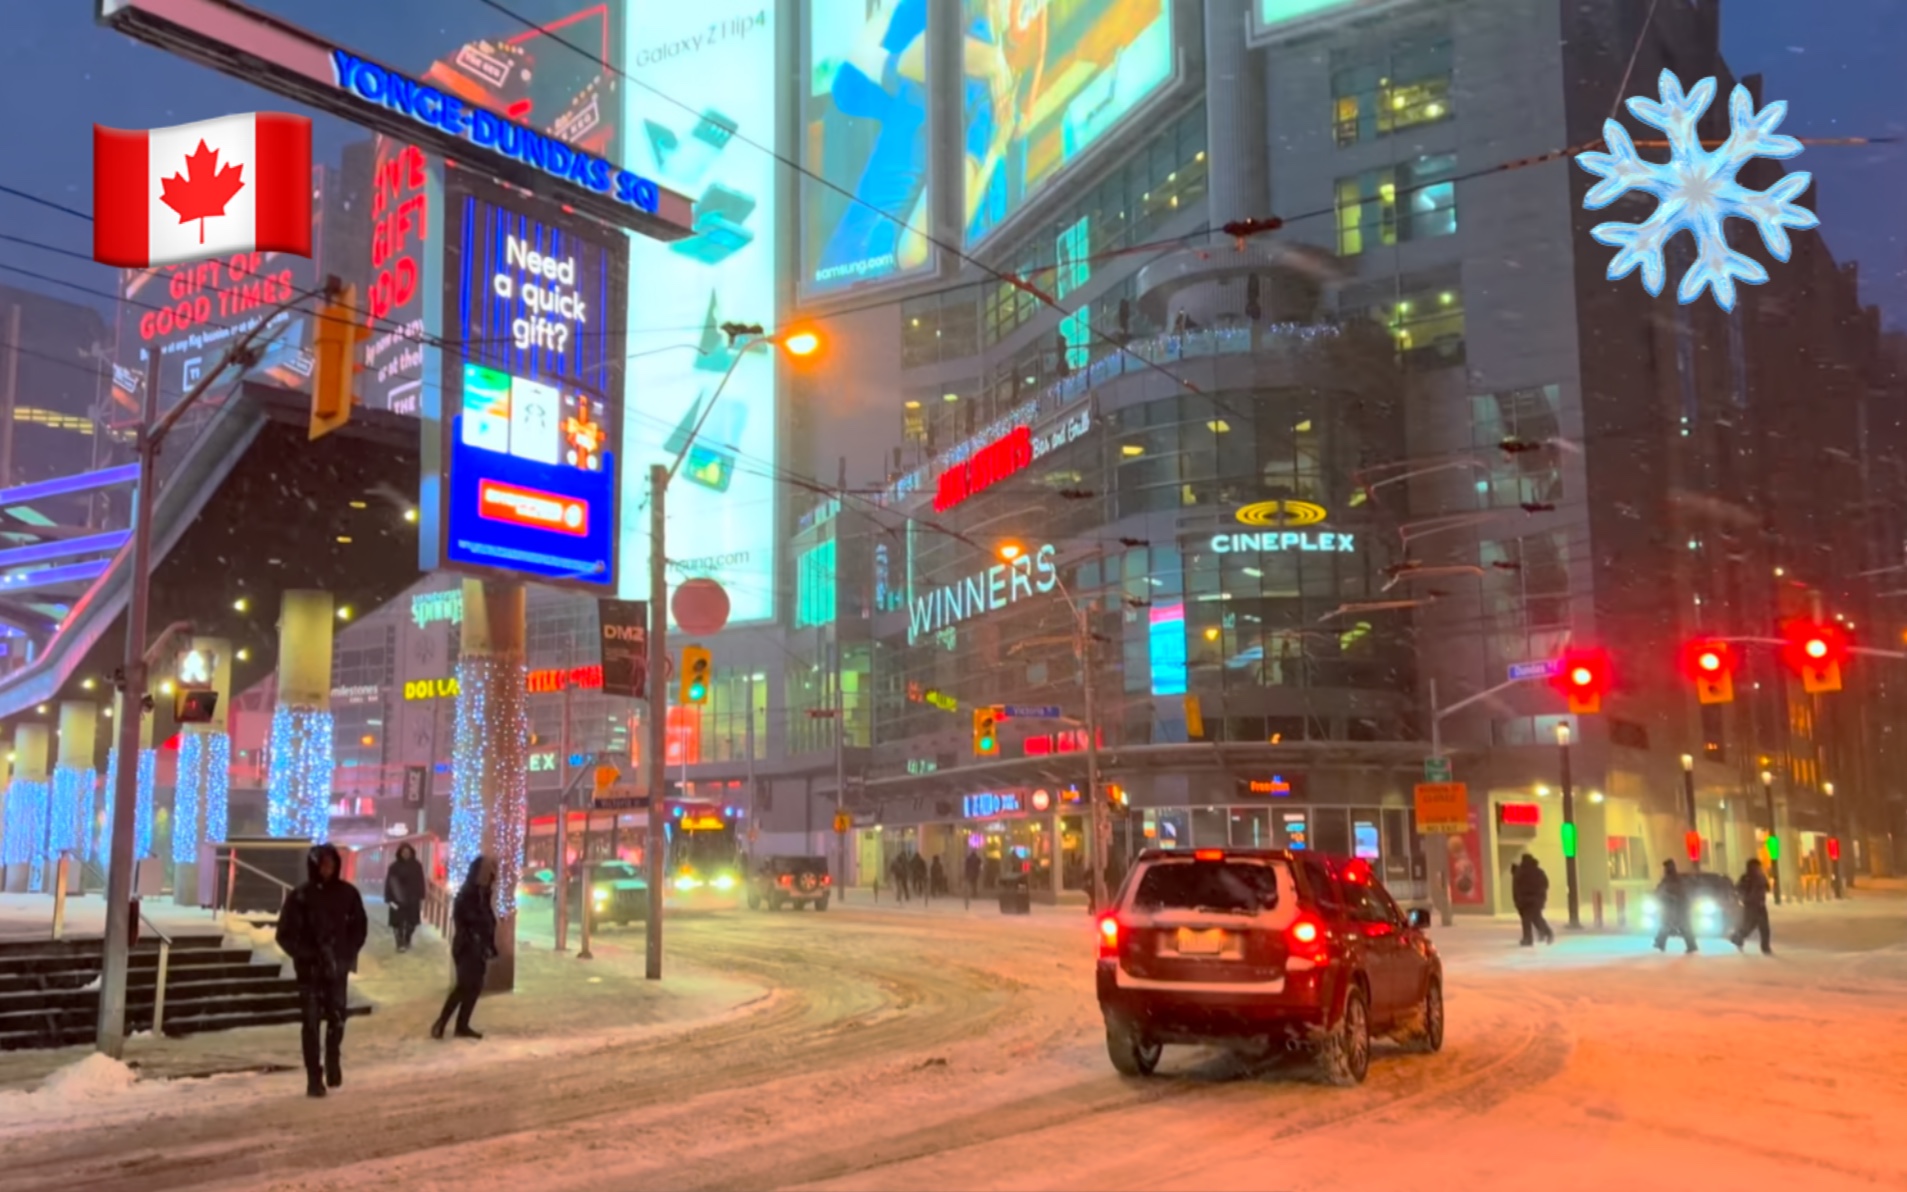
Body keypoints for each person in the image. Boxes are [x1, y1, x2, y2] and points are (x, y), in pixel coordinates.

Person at [275, 843, 368, 1098]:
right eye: (323, 864)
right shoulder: (300, 896)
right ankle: (313, 1077)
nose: (328, 869)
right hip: (309, 972)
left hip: (337, 969)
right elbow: (284, 934)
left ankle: (333, 1059)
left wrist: (346, 953)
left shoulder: (347, 894)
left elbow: (359, 927)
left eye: (332, 864)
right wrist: (307, 955)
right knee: (311, 1024)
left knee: (337, 1018)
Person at [433, 855, 498, 1041]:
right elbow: (467, 919)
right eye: (486, 873)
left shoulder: (484, 895)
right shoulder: (467, 893)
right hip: (467, 946)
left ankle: (462, 1025)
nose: (489, 877)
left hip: (480, 947)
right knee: (464, 986)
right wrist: (478, 933)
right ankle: (441, 1023)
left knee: (475, 987)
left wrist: (489, 944)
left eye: (491, 874)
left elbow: (488, 922)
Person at [383, 843, 425, 953]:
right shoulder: (393, 867)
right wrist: (388, 897)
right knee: (397, 922)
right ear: (400, 853)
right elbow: (389, 883)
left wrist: (421, 895)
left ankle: (407, 938)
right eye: (403, 852)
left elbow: (421, 881)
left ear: (411, 853)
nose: (406, 854)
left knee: (412, 922)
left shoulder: (417, 866)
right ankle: (399, 942)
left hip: (413, 899)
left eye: (408, 852)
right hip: (396, 899)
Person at [1653, 859, 1698, 954]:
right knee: (1679, 925)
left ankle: (1660, 943)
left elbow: (1666, 890)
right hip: (1676, 905)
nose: (1664, 869)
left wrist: (1663, 895)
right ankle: (1660, 942)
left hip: (1676, 906)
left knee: (1671, 924)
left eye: (1665, 867)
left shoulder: (1672, 879)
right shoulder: (1673, 879)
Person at [1730, 858, 1773, 954]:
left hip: (1760, 904)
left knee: (1763, 927)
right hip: (1751, 905)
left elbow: (1767, 887)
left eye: (1758, 867)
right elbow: (1738, 888)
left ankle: (1765, 947)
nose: (1757, 868)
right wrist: (1746, 896)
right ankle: (1738, 937)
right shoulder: (1746, 877)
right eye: (1756, 866)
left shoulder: (1761, 877)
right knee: (1750, 925)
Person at [1511, 855, 1554, 946]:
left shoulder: (1521, 872)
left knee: (1527, 920)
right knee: (1536, 918)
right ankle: (1547, 933)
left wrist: (1519, 900)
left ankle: (1529, 938)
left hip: (1526, 900)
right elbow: (1545, 884)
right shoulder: (1539, 872)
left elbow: (1517, 888)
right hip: (1536, 900)